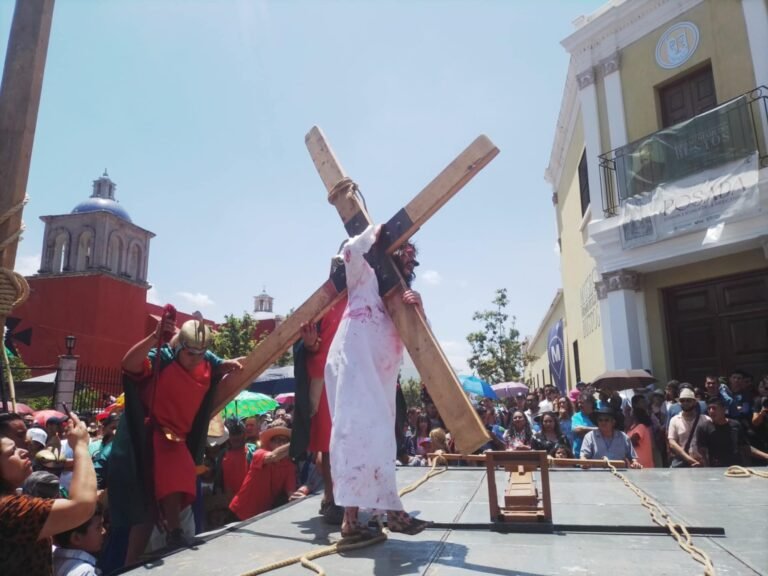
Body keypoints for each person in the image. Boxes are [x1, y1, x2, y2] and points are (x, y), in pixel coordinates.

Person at [108, 317, 243, 567]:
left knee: (177, 481)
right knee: (147, 504)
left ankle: (173, 533)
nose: (196, 359)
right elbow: (128, 365)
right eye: (191, 353)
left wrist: (227, 365)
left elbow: (215, 363)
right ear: (179, 347)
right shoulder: (163, 358)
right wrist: (153, 338)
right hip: (152, 436)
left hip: (178, 436)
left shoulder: (206, 360)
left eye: (201, 353)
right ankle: (139, 557)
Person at [324, 224, 429, 538]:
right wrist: (374, 232)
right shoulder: (365, 275)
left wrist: (419, 308)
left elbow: (423, 341)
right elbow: (350, 252)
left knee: (379, 441)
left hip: (381, 377)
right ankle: (370, 517)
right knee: (356, 437)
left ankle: (361, 519)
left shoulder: (402, 296)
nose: (411, 264)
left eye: (413, 260)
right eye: (406, 256)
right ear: (391, 253)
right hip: (353, 368)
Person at [0, 412, 97, 576]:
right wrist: (80, 446)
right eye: (12, 452)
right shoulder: (9, 509)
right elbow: (82, 507)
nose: (23, 450)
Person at [228, 420, 296, 520]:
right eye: (277, 440)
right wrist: (296, 441)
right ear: (270, 443)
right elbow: (274, 456)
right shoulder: (259, 453)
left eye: (284, 440)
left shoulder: (289, 466)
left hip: (261, 517)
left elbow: (291, 493)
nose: (281, 443)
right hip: (240, 512)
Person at [53, 503, 106, 576]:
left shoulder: (54, 563)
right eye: (98, 527)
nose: (103, 531)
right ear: (76, 538)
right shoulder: (86, 572)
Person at [667, 387, 708, 468]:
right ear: (679, 403)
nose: (685, 403)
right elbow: (672, 443)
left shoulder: (705, 420)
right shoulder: (674, 420)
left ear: (694, 402)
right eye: (682, 400)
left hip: (703, 464)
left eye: (688, 400)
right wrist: (689, 459)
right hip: (683, 463)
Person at [627, 395, 655, 469]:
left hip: (641, 466)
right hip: (635, 465)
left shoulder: (641, 427)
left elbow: (631, 442)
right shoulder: (632, 427)